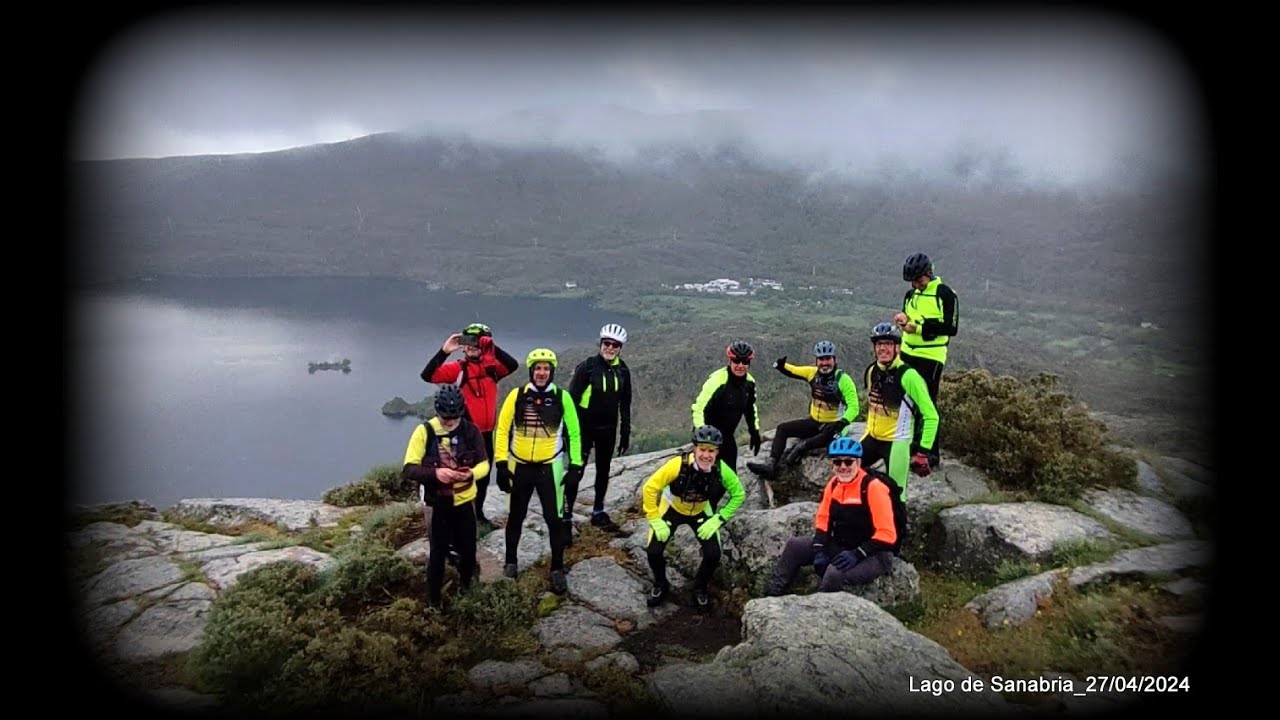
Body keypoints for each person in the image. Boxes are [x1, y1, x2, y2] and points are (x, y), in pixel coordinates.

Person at [765, 436, 906, 596]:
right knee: (794, 546)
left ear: (859, 463)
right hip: (843, 545)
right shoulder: (834, 484)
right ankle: (772, 597)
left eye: (848, 462)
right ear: (832, 465)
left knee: (834, 573)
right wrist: (819, 548)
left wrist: (858, 553)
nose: (843, 466)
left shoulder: (873, 488)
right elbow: (823, 518)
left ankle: (821, 611)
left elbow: (887, 534)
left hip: (876, 554)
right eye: (837, 462)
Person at [492, 348, 583, 595]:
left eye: (546, 369)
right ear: (531, 371)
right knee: (515, 517)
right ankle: (511, 563)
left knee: (554, 520)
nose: (542, 373)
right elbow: (501, 430)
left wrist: (575, 466)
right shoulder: (517, 395)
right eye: (538, 368)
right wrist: (501, 463)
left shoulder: (563, 398)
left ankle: (557, 567)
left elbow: (574, 434)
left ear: (552, 371)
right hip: (518, 464)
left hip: (549, 467)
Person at [420, 322, 519, 530]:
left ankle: (478, 514)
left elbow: (513, 365)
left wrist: (491, 348)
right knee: (461, 477)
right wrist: (444, 351)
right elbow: (428, 375)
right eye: (469, 341)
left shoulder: (492, 369)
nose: (473, 345)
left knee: (482, 477)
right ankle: (458, 519)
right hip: (465, 434)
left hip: (487, 434)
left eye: (478, 341)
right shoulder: (459, 369)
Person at [400, 385, 490, 610]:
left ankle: (467, 592)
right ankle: (433, 602)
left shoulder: (471, 431)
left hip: (464, 503)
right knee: (437, 555)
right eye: (444, 417)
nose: (449, 421)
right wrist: (435, 473)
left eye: (454, 417)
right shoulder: (424, 432)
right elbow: (409, 469)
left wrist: (471, 473)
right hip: (436, 504)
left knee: (468, 552)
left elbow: (484, 464)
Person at [641, 425, 746, 608]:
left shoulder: (721, 469)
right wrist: (654, 518)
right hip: (672, 508)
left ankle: (700, 587)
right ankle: (661, 584)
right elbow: (650, 488)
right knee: (654, 551)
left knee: (713, 554)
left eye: (711, 451)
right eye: (702, 449)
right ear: (694, 448)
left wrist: (719, 518)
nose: (706, 455)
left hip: (700, 510)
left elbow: (739, 494)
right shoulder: (677, 465)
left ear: (717, 452)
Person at [746, 340, 859, 479]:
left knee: (817, 439)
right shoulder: (812, 373)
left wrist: (842, 422)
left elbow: (854, 406)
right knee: (782, 429)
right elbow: (794, 370)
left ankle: (803, 448)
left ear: (834, 360)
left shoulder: (843, 380)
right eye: (821, 359)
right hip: (815, 422)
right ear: (816, 361)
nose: (825, 363)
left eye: (828, 359)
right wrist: (781, 365)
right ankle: (771, 464)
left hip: (834, 425)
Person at [857, 322, 939, 500]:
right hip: (872, 438)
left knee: (895, 495)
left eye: (888, 344)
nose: (883, 348)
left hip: (897, 442)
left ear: (897, 347)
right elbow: (873, 409)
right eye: (879, 344)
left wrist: (923, 452)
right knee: (847, 473)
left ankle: (899, 528)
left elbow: (931, 416)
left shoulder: (909, 376)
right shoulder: (872, 370)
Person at [566, 323, 633, 532]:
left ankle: (598, 511)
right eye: (607, 343)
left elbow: (625, 404)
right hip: (584, 428)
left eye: (615, 345)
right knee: (577, 470)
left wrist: (625, 433)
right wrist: (570, 432)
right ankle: (566, 516)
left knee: (603, 471)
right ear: (601, 344)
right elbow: (571, 401)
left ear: (620, 348)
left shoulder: (623, 370)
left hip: (608, 429)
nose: (610, 348)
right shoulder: (587, 367)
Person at [896, 252, 958, 468]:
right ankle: (911, 444)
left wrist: (920, 328)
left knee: (927, 402)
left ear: (928, 274)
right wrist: (903, 320)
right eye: (912, 281)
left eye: (919, 280)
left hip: (931, 355)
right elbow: (909, 318)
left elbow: (951, 328)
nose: (916, 284)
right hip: (906, 352)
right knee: (906, 400)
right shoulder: (910, 294)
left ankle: (930, 452)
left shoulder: (945, 294)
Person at [690, 341, 762, 493]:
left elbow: (750, 408)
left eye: (745, 362)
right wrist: (700, 432)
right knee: (704, 478)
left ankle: (714, 511)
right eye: (736, 361)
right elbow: (699, 407)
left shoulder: (749, 383)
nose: (740, 365)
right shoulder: (718, 380)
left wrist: (754, 431)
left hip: (727, 437)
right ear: (730, 360)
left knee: (728, 479)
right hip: (708, 436)